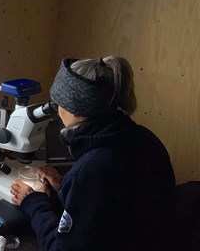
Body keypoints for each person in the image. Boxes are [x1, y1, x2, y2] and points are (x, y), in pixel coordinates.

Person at [10, 56, 176, 251]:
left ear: (73, 109)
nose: (57, 109)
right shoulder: (145, 138)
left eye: (58, 103)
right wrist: (65, 187)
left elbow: (61, 248)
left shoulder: (91, 170)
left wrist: (35, 203)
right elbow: (113, 204)